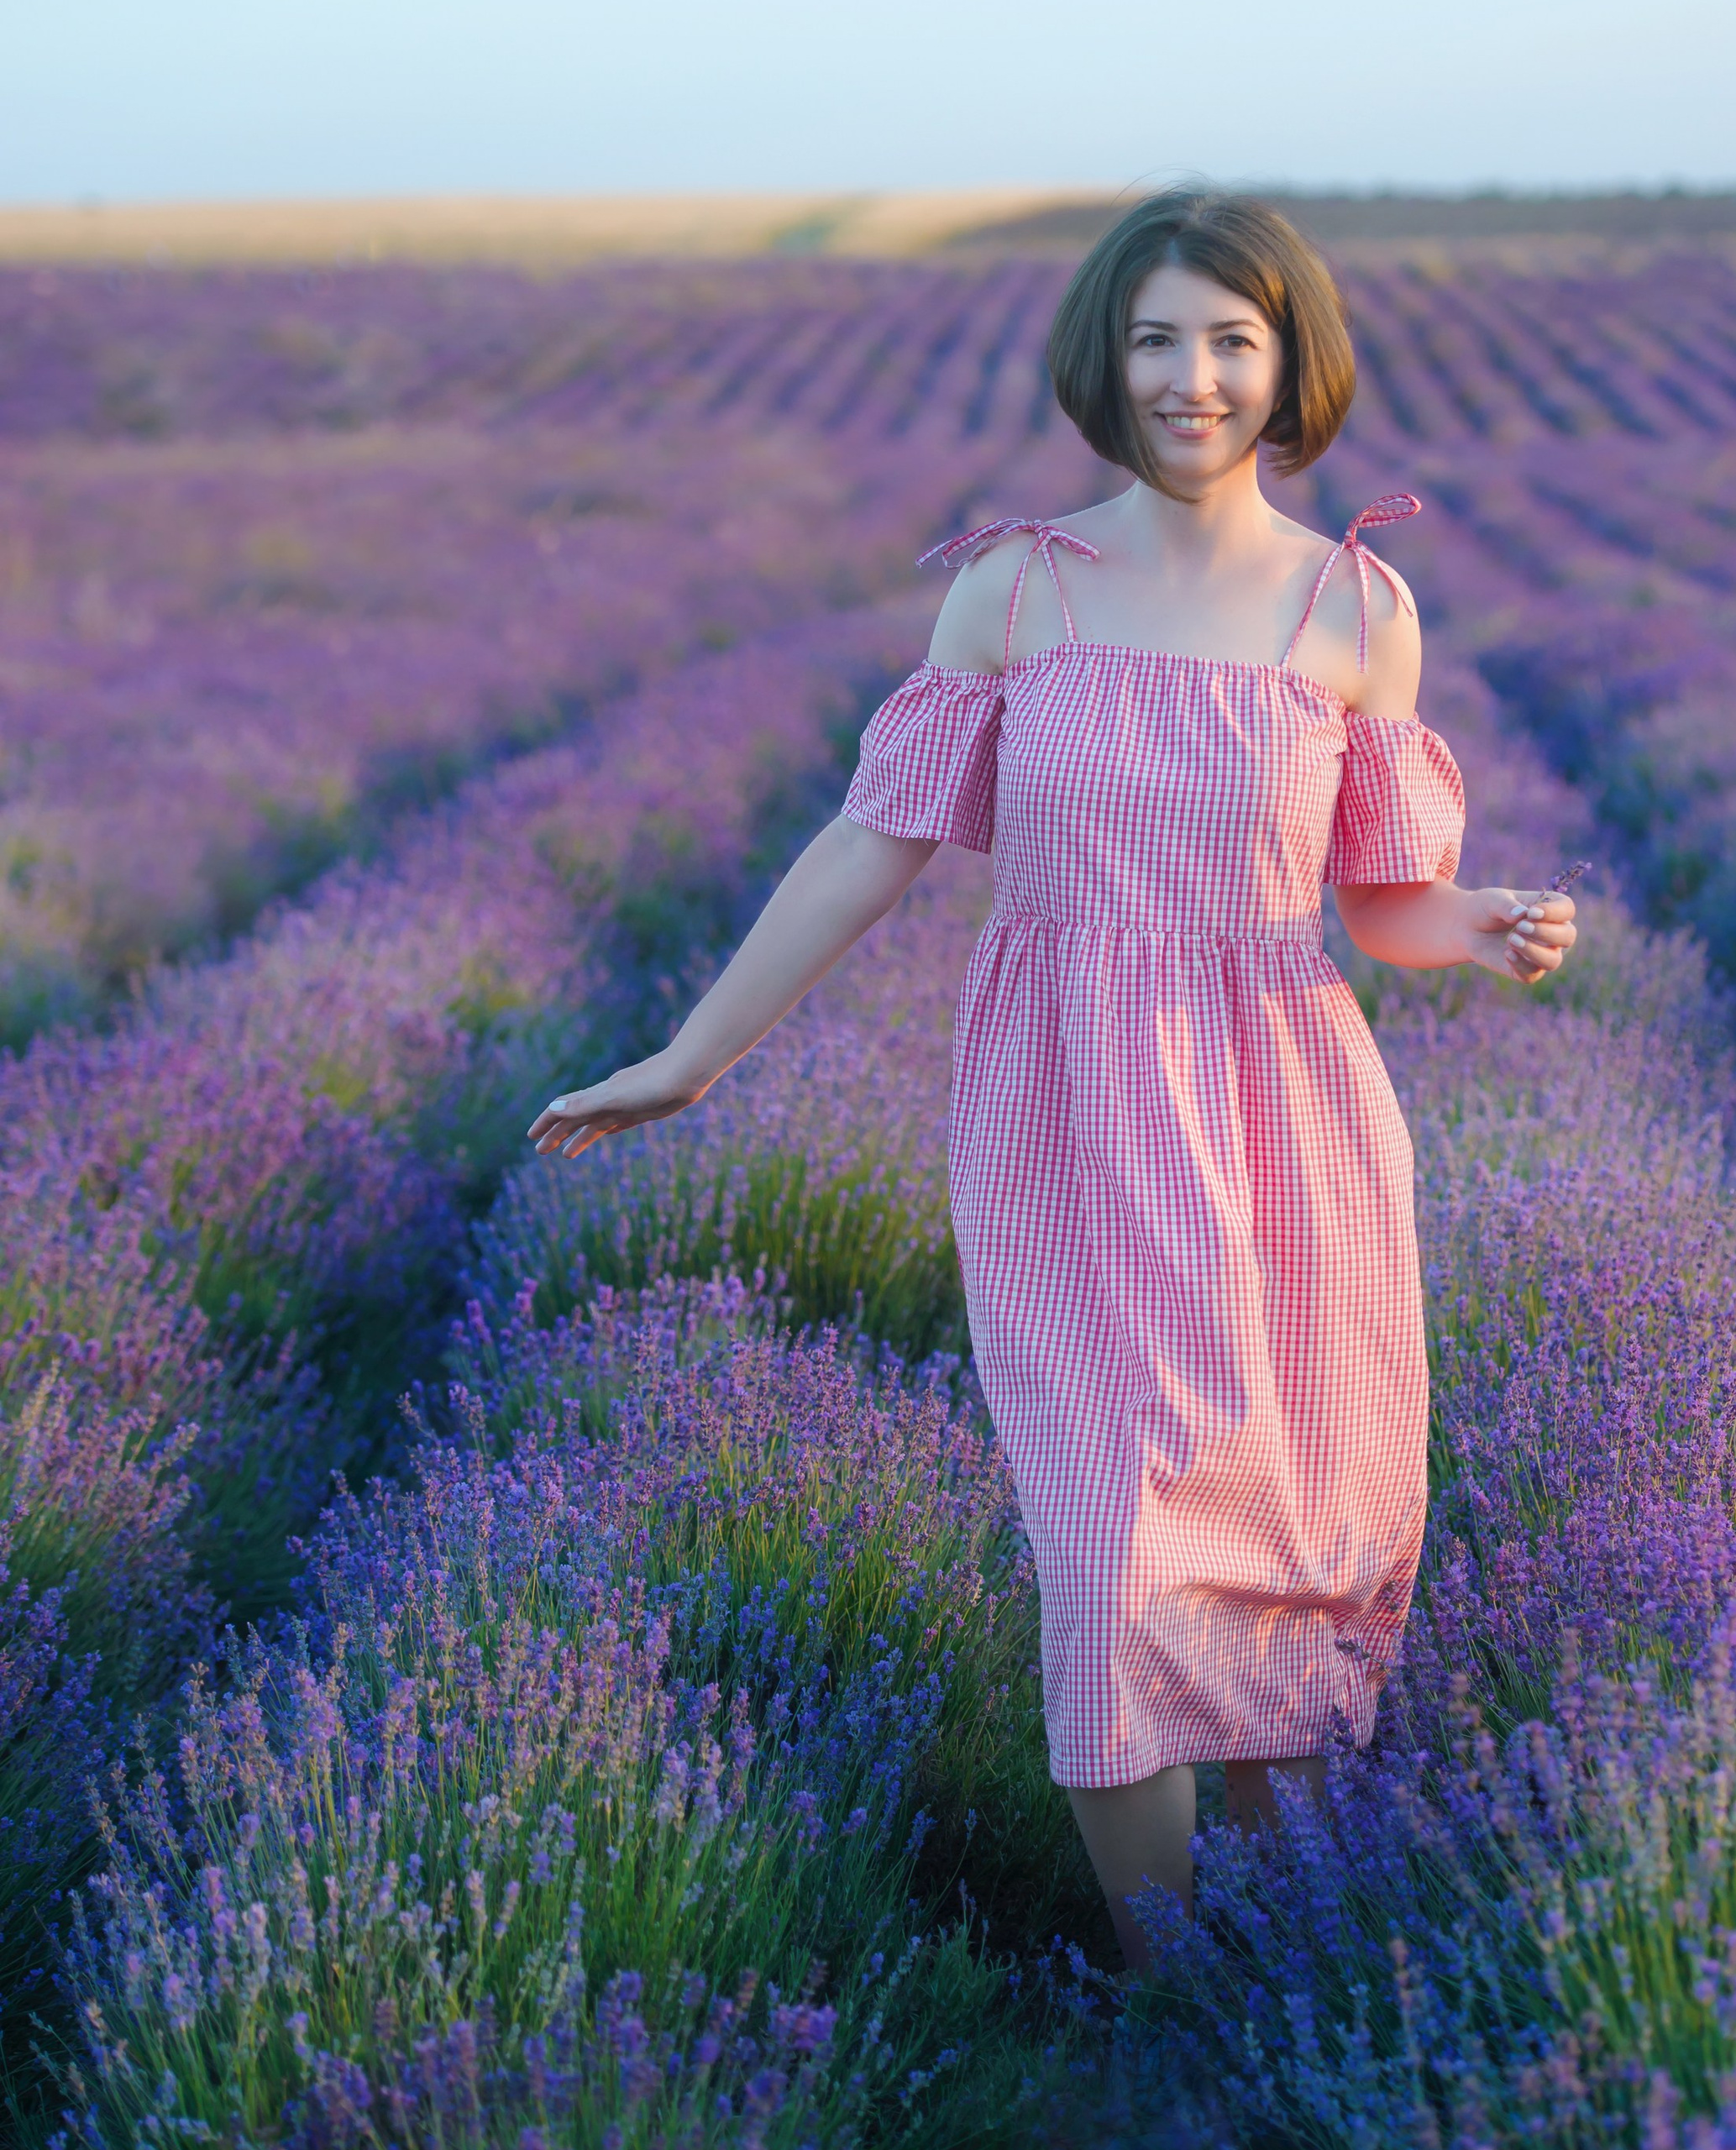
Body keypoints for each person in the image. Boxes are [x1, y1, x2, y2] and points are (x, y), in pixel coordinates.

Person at [527, 188, 1579, 1973]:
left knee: (1294, 1552)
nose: (1191, 378)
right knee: (1108, 1566)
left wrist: (1477, 922)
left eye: (1231, 339)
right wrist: (693, 1055)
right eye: (1156, 339)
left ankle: (1279, 1977)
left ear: (1288, 362)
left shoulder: (1354, 606)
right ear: (1102, 360)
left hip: (1284, 1125)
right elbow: (876, 841)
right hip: (1072, 1113)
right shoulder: (1017, 588)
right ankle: (1172, 1995)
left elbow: (1378, 899)